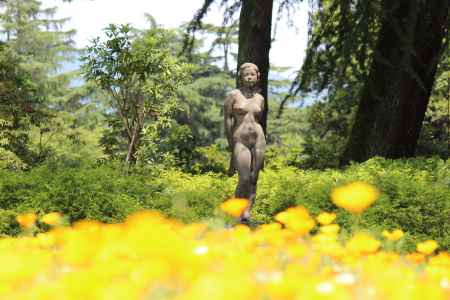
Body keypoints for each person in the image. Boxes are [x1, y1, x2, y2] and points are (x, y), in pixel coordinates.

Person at [224, 62, 266, 223]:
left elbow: (258, 120)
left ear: (257, 77)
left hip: (258, 138)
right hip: (240, 139)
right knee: (244, 178)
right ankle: (236, 210)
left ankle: (246, 212)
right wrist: (231, 143)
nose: (249, 77)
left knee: (254, 177)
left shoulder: (260, 98)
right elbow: (227, 120)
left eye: (252, 74)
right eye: (246, 74)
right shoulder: (233, 95)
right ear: (240, 77)